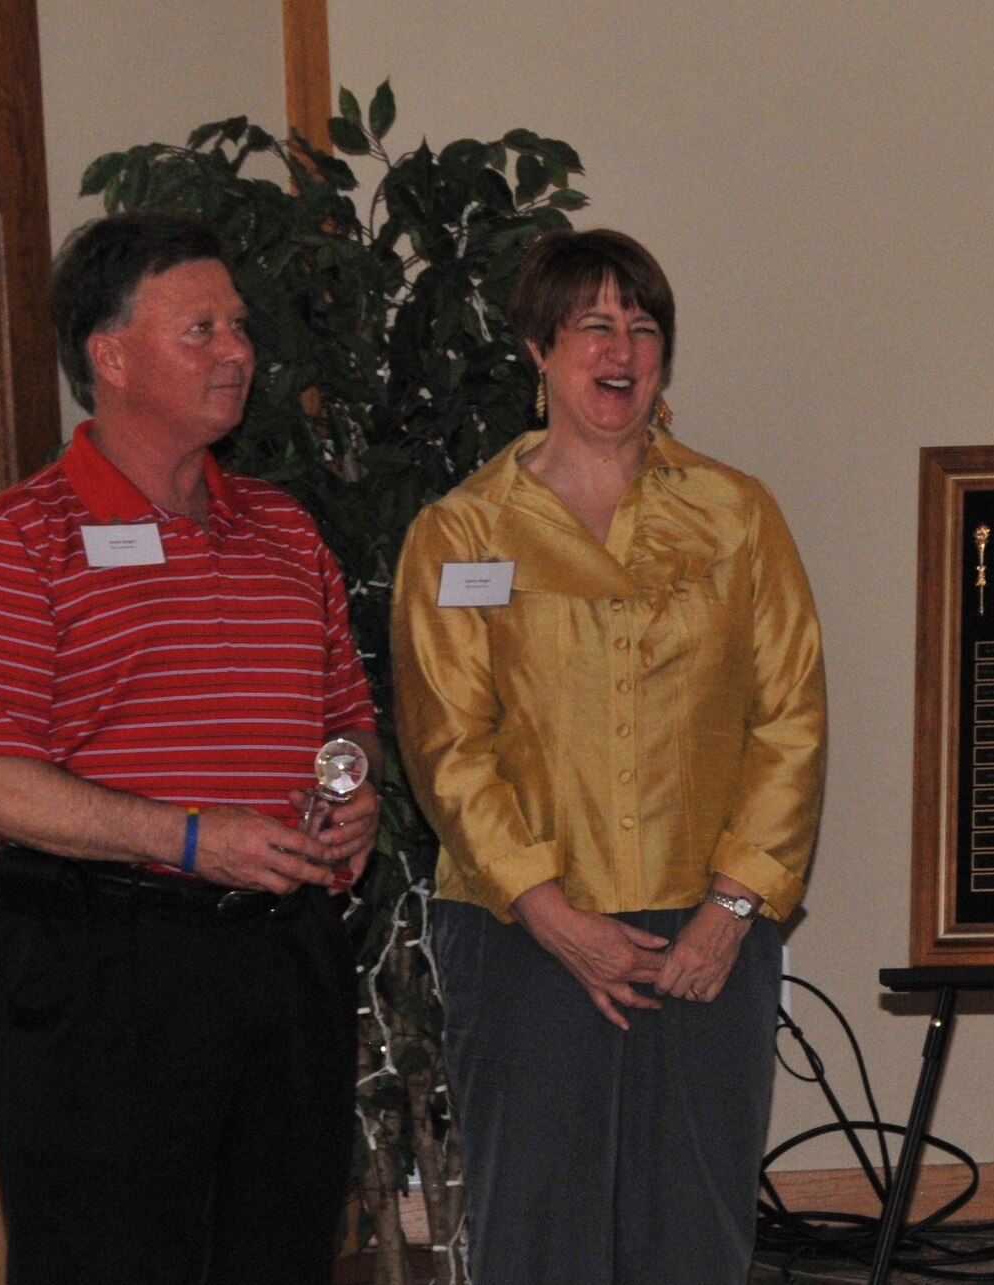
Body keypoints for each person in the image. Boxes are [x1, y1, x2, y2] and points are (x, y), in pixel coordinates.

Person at [0, 212, 382, 1284]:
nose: (238, 351)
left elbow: (343, 720)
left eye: (240, 326)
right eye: (201, 328)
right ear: (110, 355)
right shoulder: (14, 537)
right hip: (106, 969)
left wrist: (348, 787)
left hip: (286, 959)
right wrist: (182, 840)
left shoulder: (285, 528)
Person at [392, 227, 826, 1284]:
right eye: (593, 325)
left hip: (705, 935)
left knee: (695, 1227)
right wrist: (550, 913)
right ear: (539, 349)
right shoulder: (459, 536)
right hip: (523, 936)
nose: (620, 348)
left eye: (642, 326)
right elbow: (449, 747)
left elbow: (790, 717)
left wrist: (730, 911)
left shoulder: (738, 514)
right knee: (536, 1232)